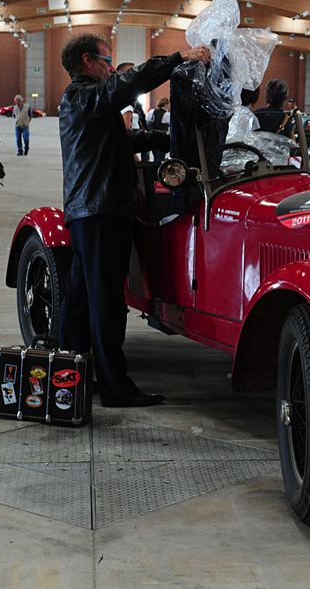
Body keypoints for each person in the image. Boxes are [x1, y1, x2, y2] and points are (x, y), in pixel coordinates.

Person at [56, 31, 210, 408]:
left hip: (87, 211)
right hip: (100, 209)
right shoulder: (84, 96)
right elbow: (126, 85)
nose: (112, 68)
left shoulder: (88, 106)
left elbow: (126, 142)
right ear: (89, 61)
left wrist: (170, 137)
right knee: (107, 302)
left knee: (79, 301)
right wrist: (177, 59)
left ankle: (74, 377)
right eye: (108, 61)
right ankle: (114, 387)